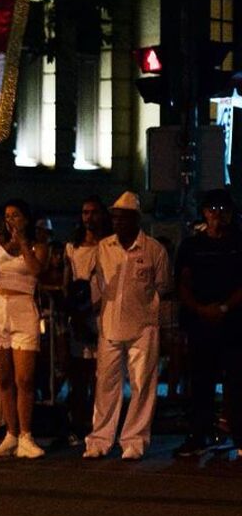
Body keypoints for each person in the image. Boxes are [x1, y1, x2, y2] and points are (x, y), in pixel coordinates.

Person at [84, 192, 171, 460]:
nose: (116, 222)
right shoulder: (104, 247)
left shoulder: (154, 249)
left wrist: (156, 320)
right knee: (105, 386)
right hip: (110, 326)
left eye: (122, 218)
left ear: (135, 219)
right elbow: (98, 284)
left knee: (142, 385)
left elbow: (163, 287)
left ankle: (134, 441)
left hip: (143, 327)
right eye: (114, 218)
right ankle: (99, 440)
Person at [0, 199, 48, 459]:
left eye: (16, 215)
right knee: (4, 379)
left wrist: (23, 243)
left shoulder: (38, 245)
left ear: (26, 219)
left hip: (23, 307)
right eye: (7, 216)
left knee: (24, 379)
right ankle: (11, 433)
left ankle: (26, 435)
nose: (11, 220)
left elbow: (37, 270)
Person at [175, 189, 242, 457]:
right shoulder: (192, 246)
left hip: (234, 324)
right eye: (213, 209)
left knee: (236, 382)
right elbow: (183, 282)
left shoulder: (239, 243)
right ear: (204, 213)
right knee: (200, 382)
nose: (218, 215)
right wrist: (200, 309)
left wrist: (224, 307)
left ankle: (238, 436)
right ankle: (199, 434)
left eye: (223, 209)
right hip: (201, 324)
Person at [63, 196, 110, 446]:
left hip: (102, 316)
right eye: (84, 212)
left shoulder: (110, 246)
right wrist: (75, 311)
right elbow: (66, 281)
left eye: (93, 212)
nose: (89, 217)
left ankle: (99, 426)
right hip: (79, 317)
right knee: (79, 375)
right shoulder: (73, 247)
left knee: (100, 377)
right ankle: (78, 424)